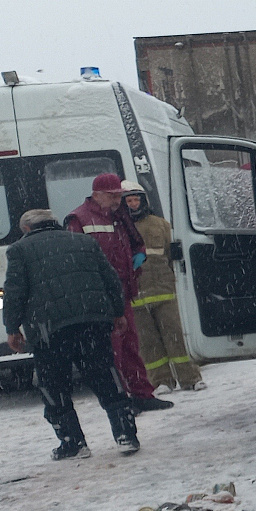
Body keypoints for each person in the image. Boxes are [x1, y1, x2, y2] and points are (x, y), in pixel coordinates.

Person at [2, 208, 139, 459]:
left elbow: (15, 292)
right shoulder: (85, 242)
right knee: (106, 378)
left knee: (54, 387)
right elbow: (110, 279)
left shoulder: (19, 250)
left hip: (49, 330)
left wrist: (12, 328)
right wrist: (117, 312)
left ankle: (73, 443)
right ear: (55, 223)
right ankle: (126, 435)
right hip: (92, 323)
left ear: (27, 229)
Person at [64, 173, 172, 413]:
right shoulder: (79, 219)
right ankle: (123, 400)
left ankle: (142, 394)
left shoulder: (119, 216)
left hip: (122, 292)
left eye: (118, 196)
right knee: (113, 352)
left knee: (131, 346)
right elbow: (76, 262)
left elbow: (134, 243)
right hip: (100, 298)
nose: (117, 200)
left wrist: (138, 256)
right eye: (113, 196)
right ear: (98, 194)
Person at [122, 180, 205, 392]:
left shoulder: (160, 224)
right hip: (136, 295)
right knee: (148, 343)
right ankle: (160, 381)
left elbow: (171, 254)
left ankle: (191, 378)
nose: (132, 204)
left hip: (164, 290)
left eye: (135, 199)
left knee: (175, 336)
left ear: (143, 201)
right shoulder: (120, 228)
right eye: (128, 200)